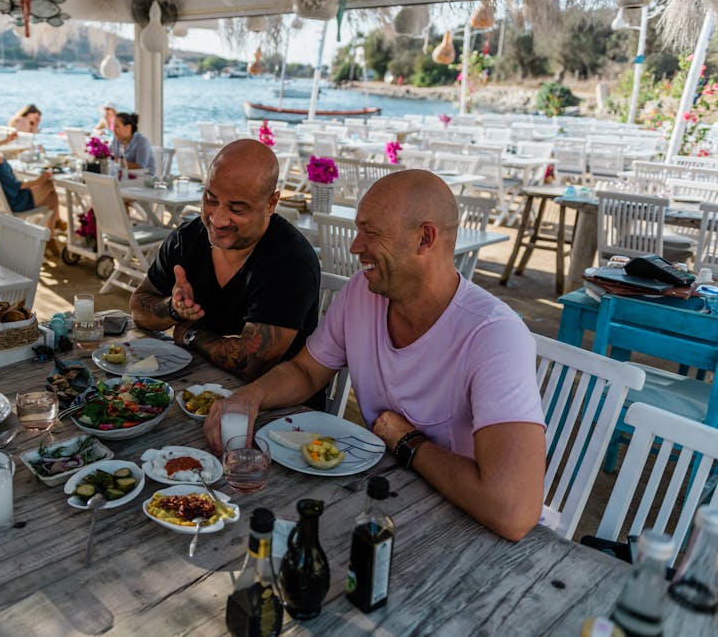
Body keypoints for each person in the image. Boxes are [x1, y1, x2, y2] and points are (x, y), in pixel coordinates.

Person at [203, 170, 546, 542]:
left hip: (466, 530)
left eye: (372, 232)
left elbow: (513, 510)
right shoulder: (360, 294)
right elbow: (306, 371)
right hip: (381, 500)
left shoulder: (494, 335)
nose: (354, 246)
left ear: (424, 238)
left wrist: (408, 442)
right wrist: (251, 396)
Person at [130, 139, 320, 382]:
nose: (218, 220)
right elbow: (137, 309)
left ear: (271, 203)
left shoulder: (290, 262)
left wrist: (191, 334)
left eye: (237, 209)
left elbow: (252, 363)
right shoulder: (187, 238)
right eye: (210, 200)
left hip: (277, 407)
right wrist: (174, 309)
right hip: (197, 384)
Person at [0, 113, 64, 236]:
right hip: (13, 202)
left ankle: (51, 233)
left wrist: (5, 141)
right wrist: (40, 179)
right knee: (49, 184)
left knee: (52, 198)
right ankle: (51, 232)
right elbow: (15, 186)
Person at [110, 112, 155, 176]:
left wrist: (115, 160)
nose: (113, 130)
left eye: (117, 126)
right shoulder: (116, 140)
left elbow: (140, 166)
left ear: (128, 128)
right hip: (124, 176)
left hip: (143, 178)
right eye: (113, 126)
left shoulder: (142, 142)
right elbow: (109, 156)